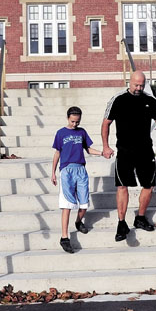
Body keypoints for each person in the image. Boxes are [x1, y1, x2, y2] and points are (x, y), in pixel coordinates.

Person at [101, 70, 156, 242]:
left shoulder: (150, 100)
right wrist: (105, 146)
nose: (139, 88)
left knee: (149, 185)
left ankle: (140, 217)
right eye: (136, 85)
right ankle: (121, 223)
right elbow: (106, 124)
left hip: (145, 151)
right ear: (130, 82)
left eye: (142, 85)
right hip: (125, 151)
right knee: (122, 186)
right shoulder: (118, 100)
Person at [51, 106, 104, 254]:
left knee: (84, 204)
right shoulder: (61, 133)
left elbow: (88, 149)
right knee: (67, 205)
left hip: (80, 169)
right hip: (66, 171)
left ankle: (78, 221)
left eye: (77, 121)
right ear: (68, 118)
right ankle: (64, 237)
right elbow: (57, 153)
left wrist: (101, 153)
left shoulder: (82, 132)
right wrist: (53, 172)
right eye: (73, 121)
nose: (75, 124)